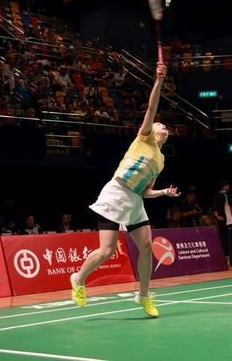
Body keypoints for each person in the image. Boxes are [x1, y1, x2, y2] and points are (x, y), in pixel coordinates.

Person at [70, 62, 179, 318]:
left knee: (146, 246)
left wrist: (163, 193)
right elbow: (152, 107)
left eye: (164, 126)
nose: (162, 126)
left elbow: (145, 192)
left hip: (134, 201)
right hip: (116, 193)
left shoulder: (161, 160)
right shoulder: (144, 137)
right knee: (106, 251)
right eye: (160, 124)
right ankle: (78, 278)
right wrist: (159, 80)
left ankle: (143, 296)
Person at [215, 180, 232, 255]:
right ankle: (231, 255)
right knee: (230, 240)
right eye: (227, 186)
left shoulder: (217, 197)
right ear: (224, 186)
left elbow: (215, 210)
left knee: (223, 240)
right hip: (229, 221)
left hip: (221, 222)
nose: (229, 187)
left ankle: (226, 256)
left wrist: (217, 216)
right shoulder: (227, 196)